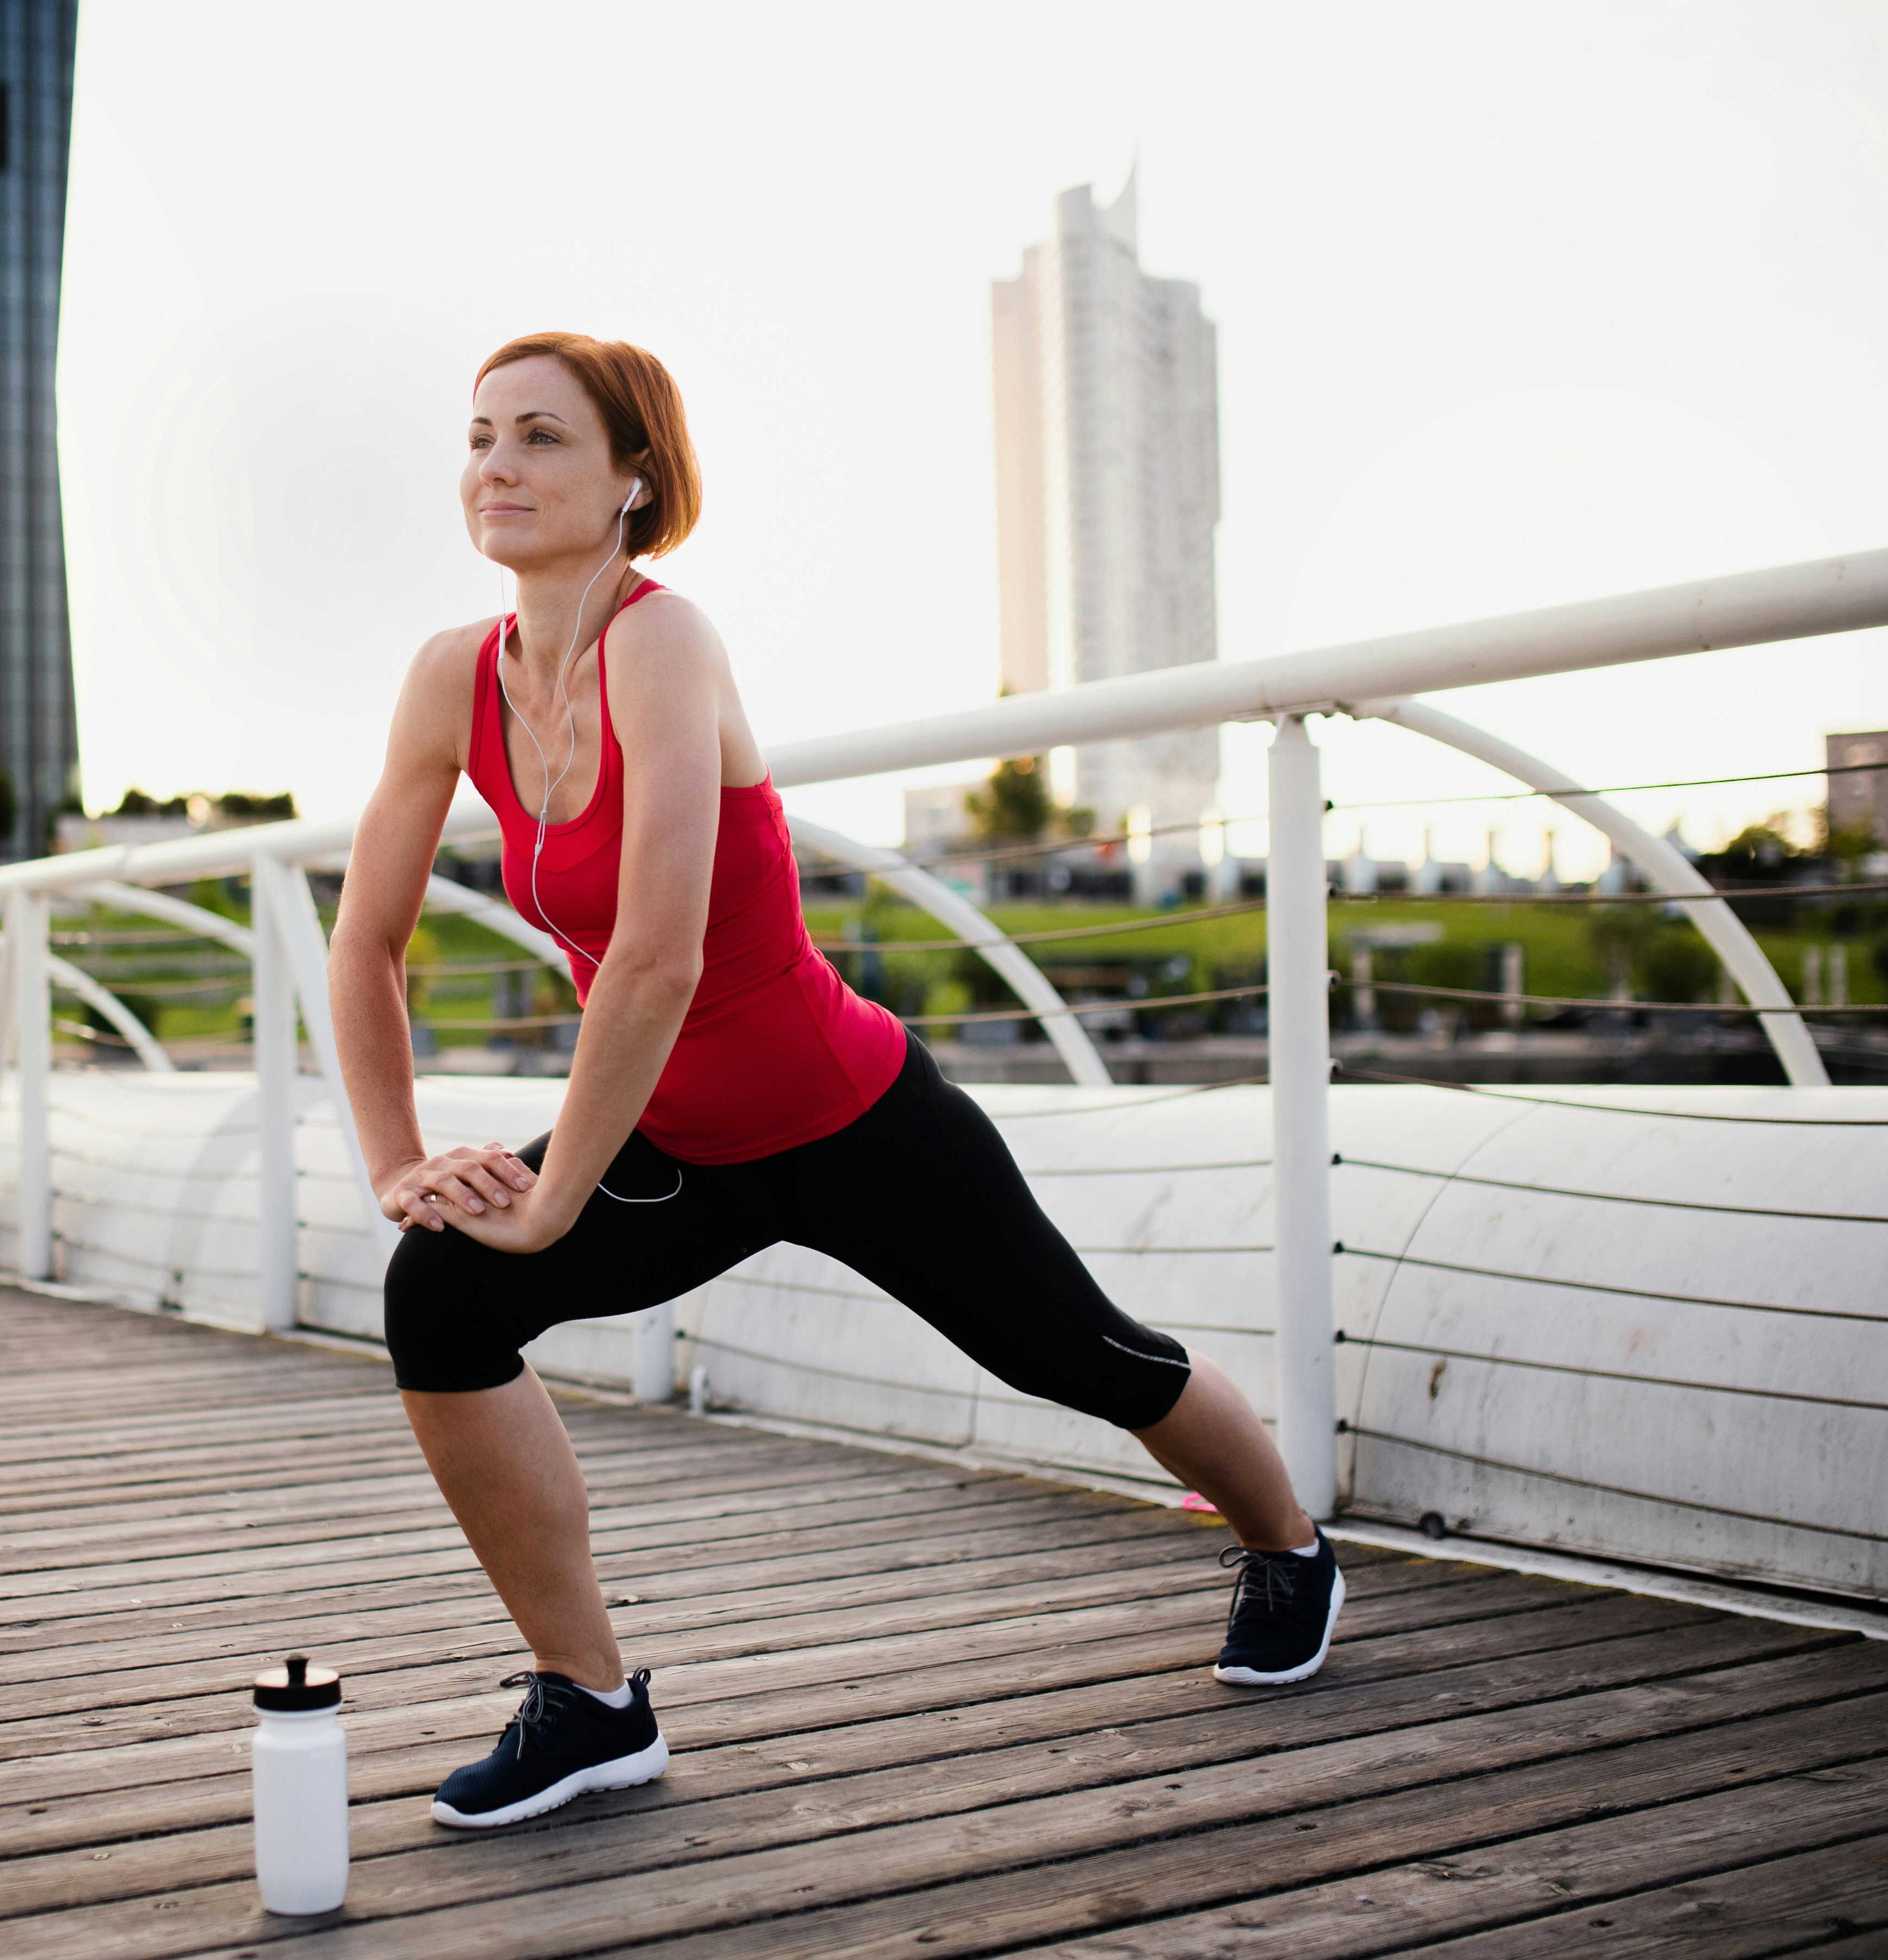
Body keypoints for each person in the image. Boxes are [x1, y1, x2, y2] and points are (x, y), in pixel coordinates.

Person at [324, 332, 1341, 1833]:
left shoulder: (662, 644)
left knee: (1082, 1359)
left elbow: (658, 958)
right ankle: (589, 1700)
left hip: (852, 1119)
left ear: (631, 480)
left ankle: (1287, 1545)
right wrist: (401, 1165)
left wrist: (547, 1202)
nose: (496, 467)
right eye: (479, 437)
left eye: (541, 437)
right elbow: (367, 942)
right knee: (439, 1290)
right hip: (671, 1132)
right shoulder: (448, 678)